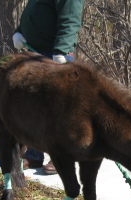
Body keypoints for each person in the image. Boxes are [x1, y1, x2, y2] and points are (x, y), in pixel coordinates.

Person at [12, 0, 84, 174]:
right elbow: (34, 12)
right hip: (34, 51)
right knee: (34, 106)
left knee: (57, 110)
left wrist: (62, 51)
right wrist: (19, 32)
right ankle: (35, 154)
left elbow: (70, 20)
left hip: (54, 54)